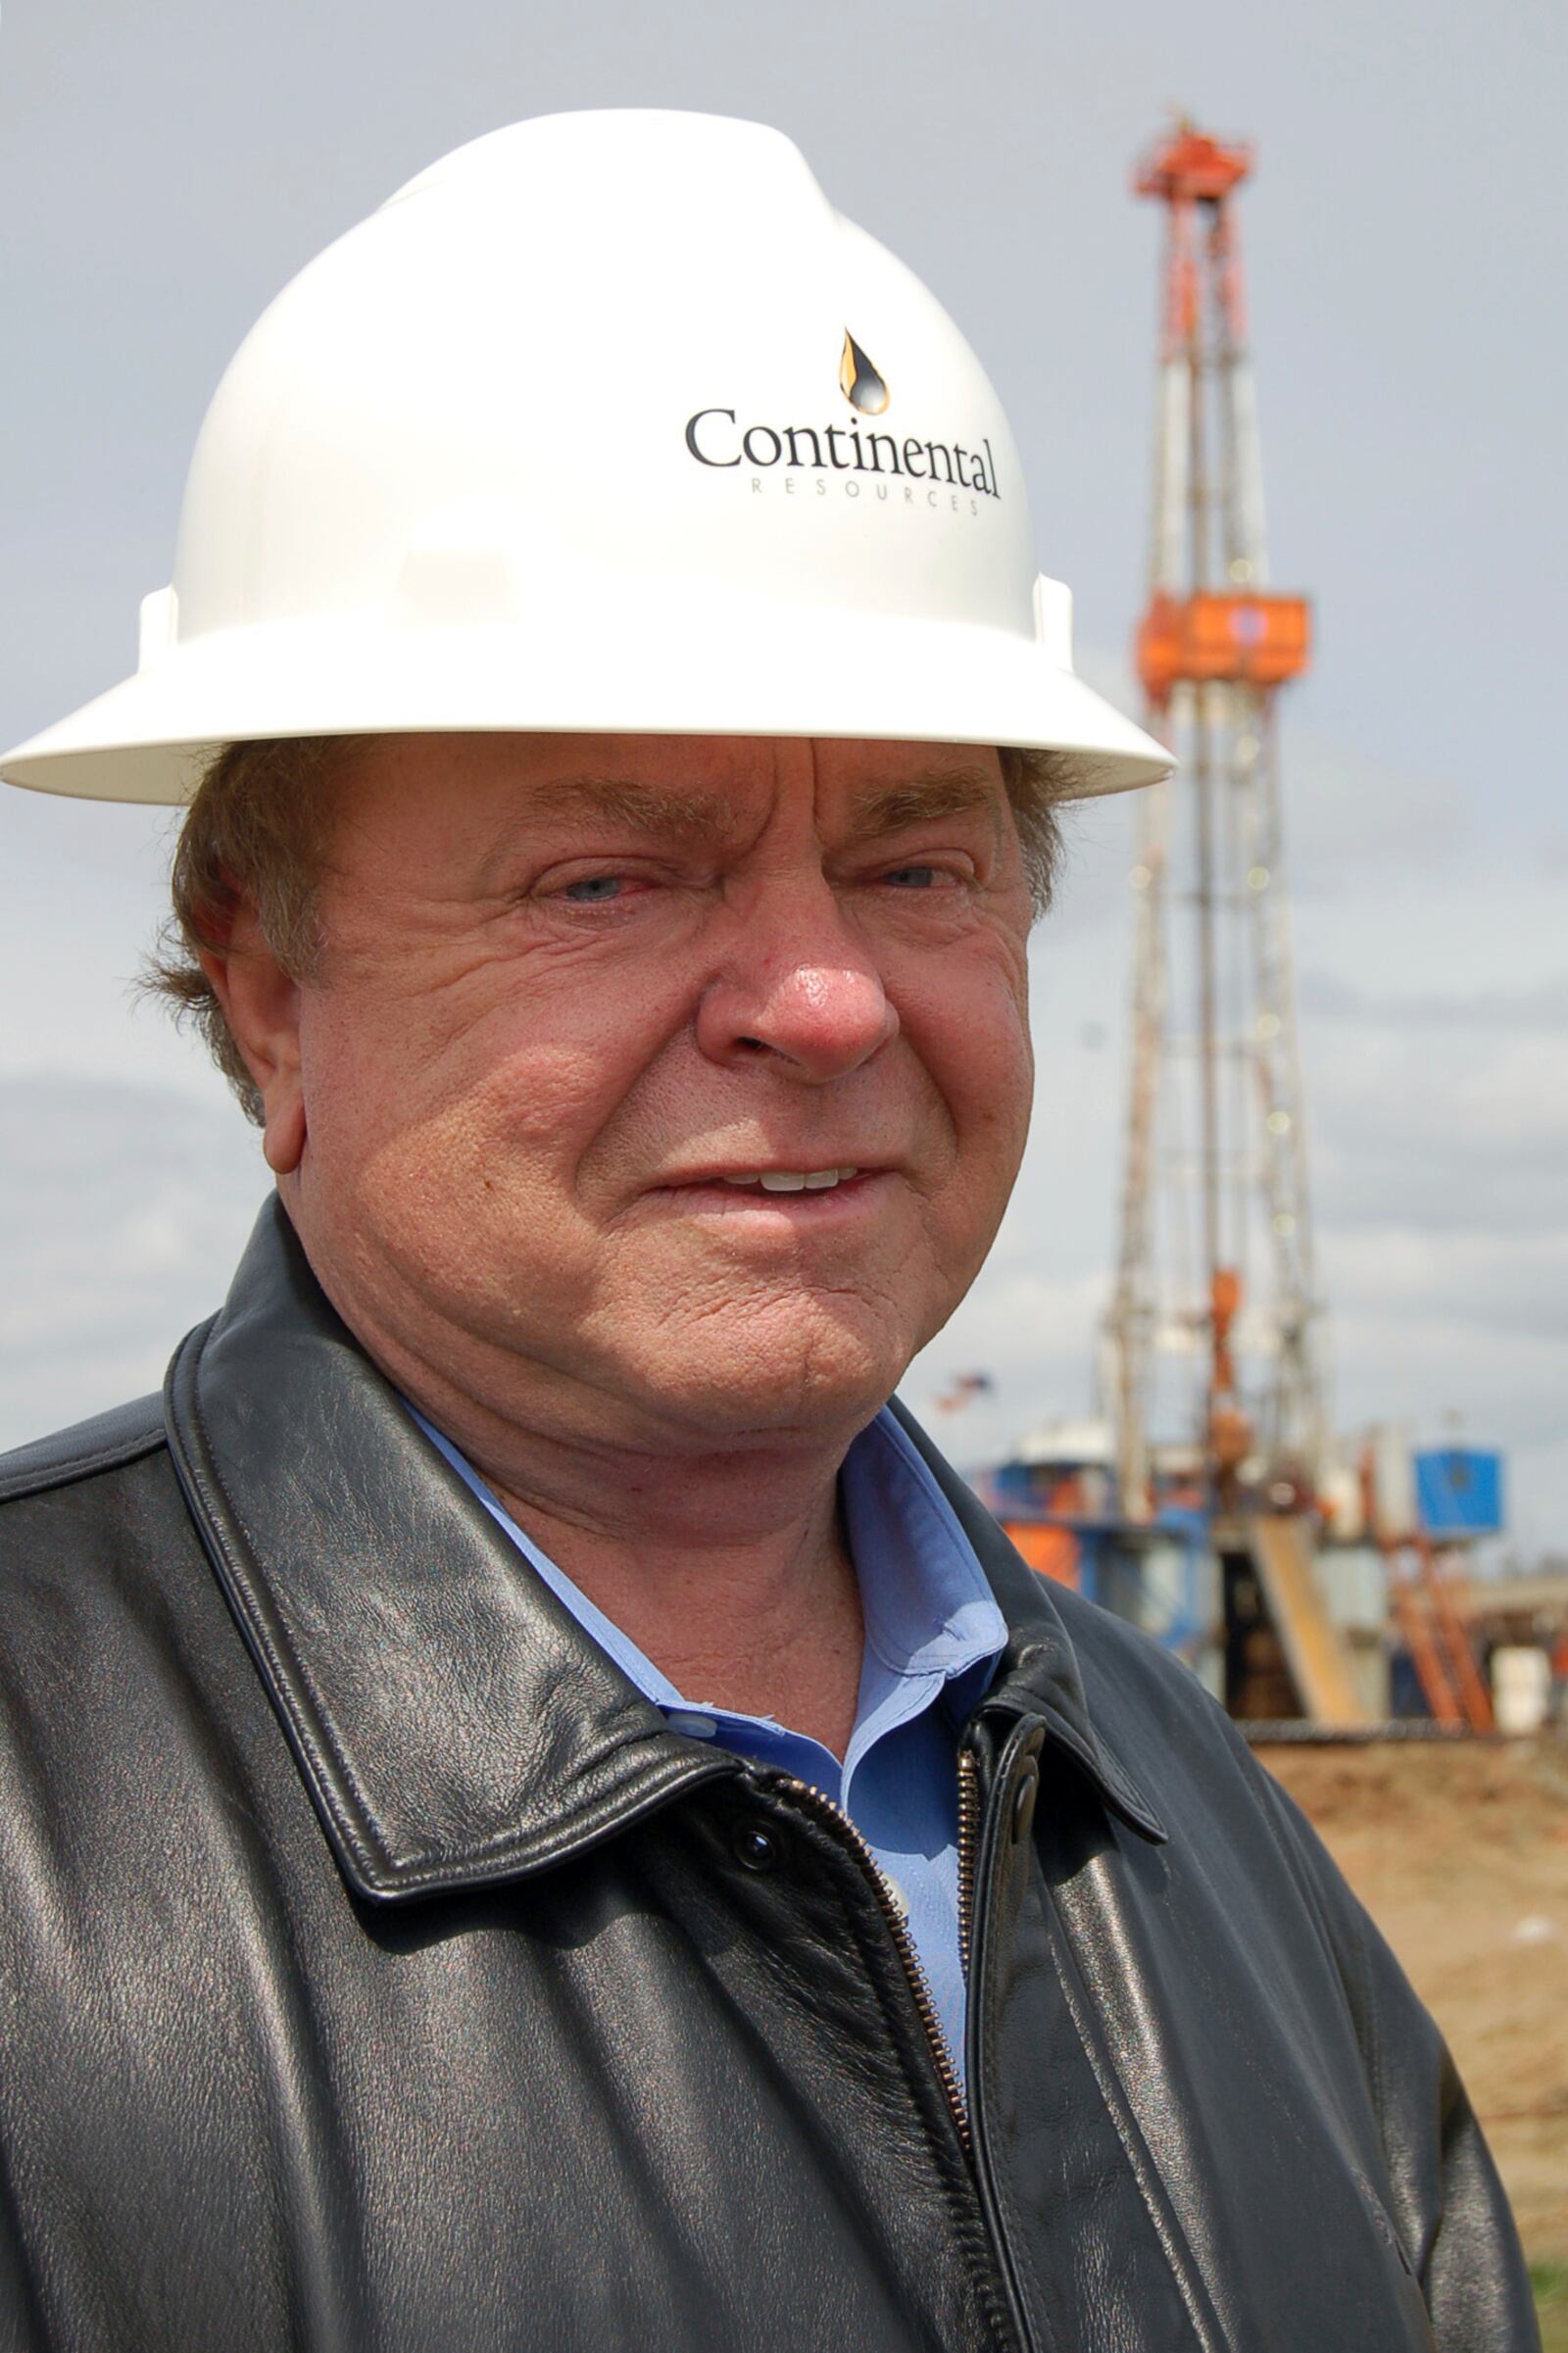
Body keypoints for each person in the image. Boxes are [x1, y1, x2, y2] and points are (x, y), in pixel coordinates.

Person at [0, 111, 1537, 2353]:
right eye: (606, 877)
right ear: (264, 981)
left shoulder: (1172, 1809)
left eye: (919, 865)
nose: (821, 1003)